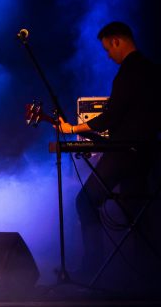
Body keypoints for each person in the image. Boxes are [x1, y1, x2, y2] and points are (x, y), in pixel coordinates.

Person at [57, 21, 160, 277]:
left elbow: (111, 117)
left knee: (85, 201)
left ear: (116, 41)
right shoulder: (152, 69)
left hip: (124, 153)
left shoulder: (128, 71)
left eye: (107, 49)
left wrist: (73, 128)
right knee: (136, 212)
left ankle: (92, 268)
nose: (108, 55)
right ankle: (145, 275)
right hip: (145, 153)